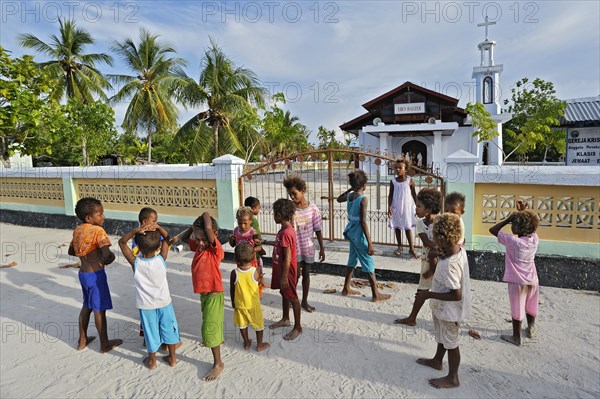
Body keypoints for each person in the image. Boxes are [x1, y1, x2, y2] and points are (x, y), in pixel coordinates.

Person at [415, 212, 471, 389]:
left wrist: (428, 294)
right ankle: (438, 360)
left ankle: (453, 378)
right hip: (443, 308)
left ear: (440, 238)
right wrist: (436, 257)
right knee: (442, 336)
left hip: (451, 310)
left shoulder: (449, 265)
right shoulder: (457, 251)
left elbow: (456, 294)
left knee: (452, 343)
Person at [119, 223, 180, 369]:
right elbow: (167, 238)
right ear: (158, 245)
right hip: (165, 302)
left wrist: (135, 230)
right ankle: (172, 359)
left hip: (146, 306)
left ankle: (152, 361)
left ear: (138, 247)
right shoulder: (161, 259)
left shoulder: (136, 262)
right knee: (168, 328)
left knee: (150, 332)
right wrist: (158, 227)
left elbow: (122, 242)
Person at [68, 197, 123, 353]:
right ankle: (104, 343)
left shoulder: (77, 230)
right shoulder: (98, 231)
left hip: (83, 275)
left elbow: (71, 251)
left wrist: (86, 253)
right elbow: (107, 255)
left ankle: (82, 340)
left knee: (87, 306)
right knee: (99, 310)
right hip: (96, 275)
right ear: (89, 218)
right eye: (100, 214)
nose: (103, 216)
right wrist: (108, 258)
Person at [180, 212, 225, 381]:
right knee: (211, 321)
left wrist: (204, 214)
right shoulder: (199, 247)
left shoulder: (215, 249)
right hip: (205, 295)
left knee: (209, 328)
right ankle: (216, 341)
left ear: (213, 235)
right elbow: (185, 239)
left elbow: (207, 226)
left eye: (203, 239)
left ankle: (218, 363)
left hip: (213, 294)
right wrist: (193, 229)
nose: (199, 242)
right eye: (197, 238)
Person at [489, 200, 539, 346]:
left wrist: (509, 219)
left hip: (517, 282)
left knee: (517, 307)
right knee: (531, 305)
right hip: (533, 280)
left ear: (517, 227)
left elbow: (493, 230)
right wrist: (523, 212)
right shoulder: (534, 240)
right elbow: (531, 226)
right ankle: (530, 329)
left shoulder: (513, 241)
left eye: (514, 224)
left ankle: (516, 337)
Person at [337, 170, 391, 302]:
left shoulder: (349, 196)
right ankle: (375, 294)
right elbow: (363, 221)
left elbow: (339, 199)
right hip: (359, 234)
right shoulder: (363, 199)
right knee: (368, 262)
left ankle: (346, 288)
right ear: (365, 185)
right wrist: (370, 243)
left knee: (352, 259)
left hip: (351, 232)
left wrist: (351, 188)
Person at [395, 188, 442, 325]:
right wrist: (440, 248)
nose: (416, 209)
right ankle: (412, 318)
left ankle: (444, 320)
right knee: (422, 289)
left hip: (442, 263)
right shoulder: (421, 224)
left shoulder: (440, 222)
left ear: (428, 208)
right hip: (428, 262)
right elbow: (426, 242)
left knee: (442, 291)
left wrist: (440, 250)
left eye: (419, 206)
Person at [283, 175, 325, 313]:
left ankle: (304, 301)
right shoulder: (290, 209)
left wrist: (322, 249)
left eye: (294, 194)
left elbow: (318, 230)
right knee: (295, 275)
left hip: (308, 247)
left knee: (306, 274)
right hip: (294, 248)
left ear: (302, 191)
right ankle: (292, 298)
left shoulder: (313, 209)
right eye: (290, 195)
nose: (292, 198)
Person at [267, 198, 302, 340]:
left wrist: (284, 276)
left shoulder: (287, 232)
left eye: (275, 213)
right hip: (282, 269)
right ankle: (285, 318)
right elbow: (278, 244)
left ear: (280, 215)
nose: (273, 216)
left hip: (287, 271)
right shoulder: (283, 230)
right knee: (284, 293)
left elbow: (288, 256)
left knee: (292, 297)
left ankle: (298, 327)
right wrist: (263, 241)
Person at [230, 242, 270, 352]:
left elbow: (232, 289)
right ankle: (259, 345)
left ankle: (247, 342)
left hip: (240, 305)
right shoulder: (256, 271)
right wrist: (261, 278)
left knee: (242, 325)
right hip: (253, 305)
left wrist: (233, 302)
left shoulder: (234, 273)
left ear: (236, 259)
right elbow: (261, 283)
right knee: (258, 325)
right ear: (253, 257)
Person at [388, 159, 418, 258]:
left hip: (407, 208)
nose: (398, 169)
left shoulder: (410, 181)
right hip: (396, 207)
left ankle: (411, 248)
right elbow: (390, 195)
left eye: (400, 168)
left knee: (407, 227)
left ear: (406, 169)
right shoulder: (393, 181)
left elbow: (414, 194)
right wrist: (389, 207)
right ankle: (399, 247)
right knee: (397, 227)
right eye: (396, 168)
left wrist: (417, 206)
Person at [244, 196, 267, 272]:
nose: (259, 210)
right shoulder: (253, 222)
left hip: (245, 251)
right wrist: (261, 249)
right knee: (257, 271)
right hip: (255, 252)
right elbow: (256, 238)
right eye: (258, 208)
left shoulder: (243, 221)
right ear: (253, 209)